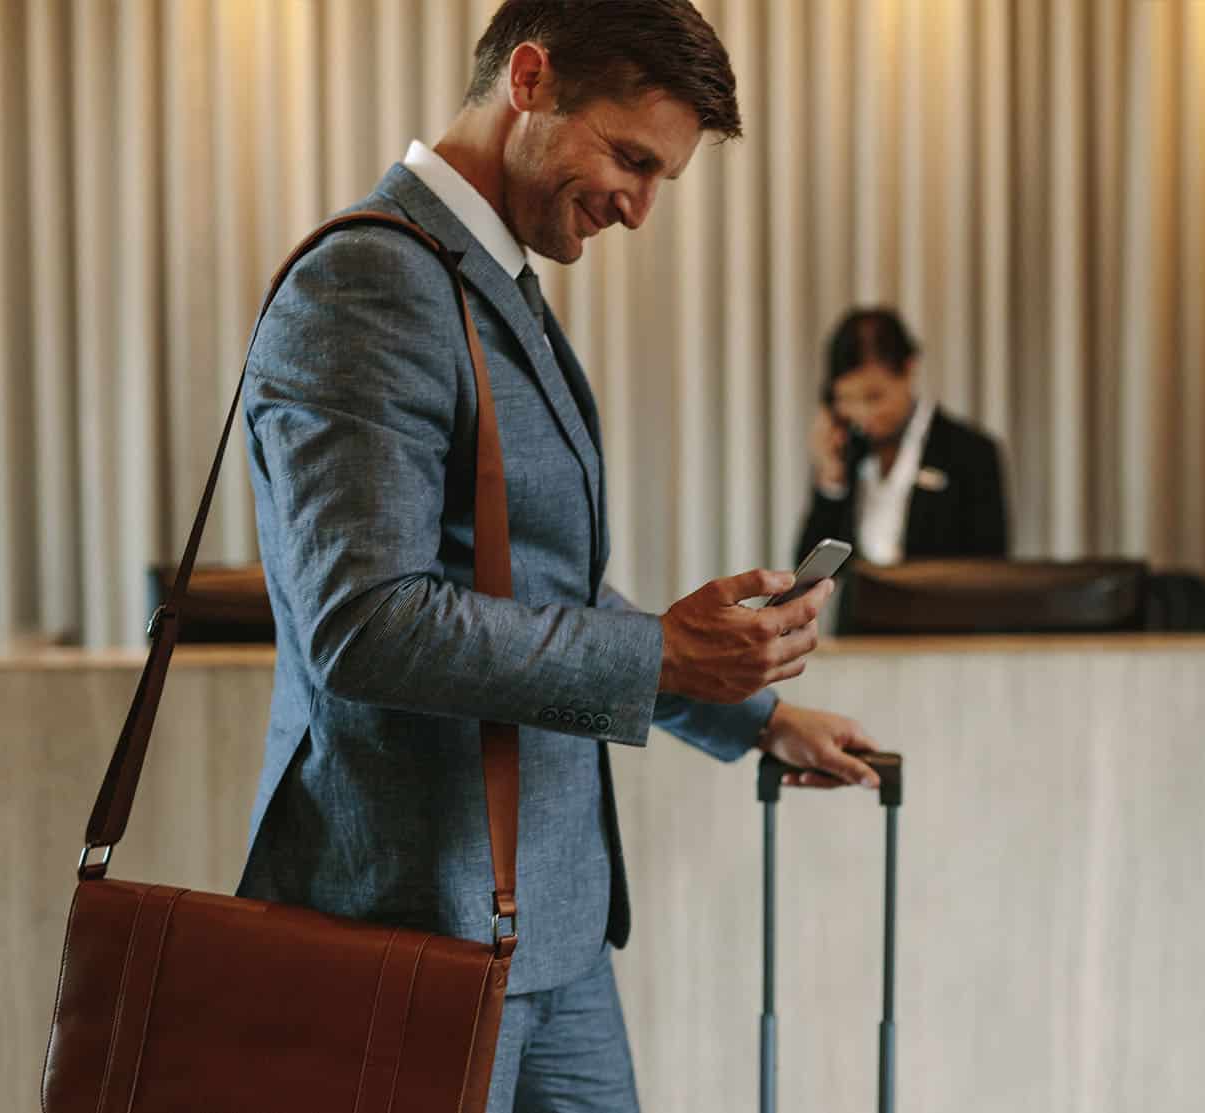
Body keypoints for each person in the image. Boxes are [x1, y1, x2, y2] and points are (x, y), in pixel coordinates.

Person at [235, 3, 878, 1109]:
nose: (638, 208)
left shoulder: (494, 287)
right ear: (528, 81)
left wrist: (755, 713)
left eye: (660, 178)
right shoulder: (368, 283)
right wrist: (661, 657)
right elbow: (364, 621)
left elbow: (541, 585)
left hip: (550, 925)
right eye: (631, 159)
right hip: (414, 926)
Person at [796, 308, 1010, 566]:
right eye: (847, 399)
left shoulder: (971, 453)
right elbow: (810, 569)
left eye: (874, 397)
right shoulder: (846, 453)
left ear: (909, 370)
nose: (863, 414)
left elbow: (990, 571)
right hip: (860, 607)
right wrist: (831, 479)